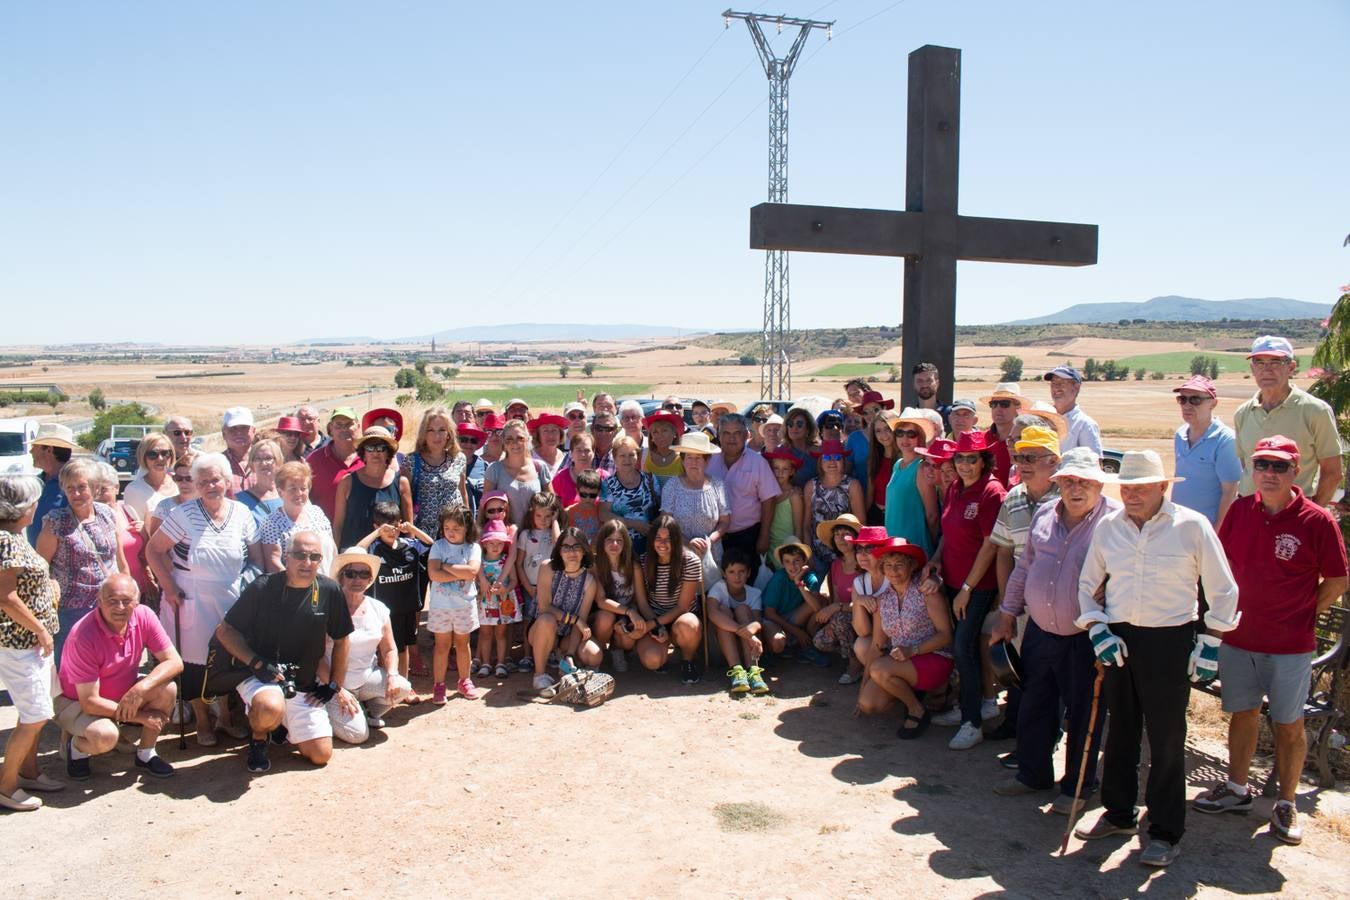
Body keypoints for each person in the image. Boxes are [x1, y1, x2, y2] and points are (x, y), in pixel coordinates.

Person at [1072, 449, 1240, 868]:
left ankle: (1165, 831)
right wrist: (1096, 628)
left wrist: (1212, 640)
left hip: (1171, 641)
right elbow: (1087, 584)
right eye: (1127, 487)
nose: (1132, 494)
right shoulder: (1109, 527)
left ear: (1162, 487)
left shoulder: (1192, 526)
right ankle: (1119, 813)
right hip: (1120, 638)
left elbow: (1223, 588)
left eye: (1141, 487)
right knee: (1121, 732)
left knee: (1166, 739)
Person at [1198, 437, 1348, 844]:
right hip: (1239, 636)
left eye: (1279, 466)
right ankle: (1236, 788)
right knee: (1243, 714)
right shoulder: (1242, 511)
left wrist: (1304, 612)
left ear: (1295, 471)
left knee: (1289, 724)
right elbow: (1221, 563)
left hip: (1290, 646)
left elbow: (1337, 579)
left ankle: (1285, 803)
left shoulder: (1317, 520)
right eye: (1262, 464)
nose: (1269, 473)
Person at [990, 448, 1117, 812]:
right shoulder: (1045, 514)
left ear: (1099, 483)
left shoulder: (1113, 522)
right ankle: (1033, 774)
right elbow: (1024, 568)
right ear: (1057, 482)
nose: (1076, 489)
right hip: (1040, 630)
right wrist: (1007, 612)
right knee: (1035, 703)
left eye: (1084, 482)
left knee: (1083, 714)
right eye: (1069, 481)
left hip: (1086, 637)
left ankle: (1077, 788)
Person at [214, 529, 354, 773]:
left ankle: (281, 726)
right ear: (286, 557)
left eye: (315, 557)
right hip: (260, 676)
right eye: (300, 555)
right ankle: (259, 738)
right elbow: (225, 632)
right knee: (270, 706)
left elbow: (342, 640)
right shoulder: (263, 587)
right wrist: (256, 663)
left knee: (321, 756)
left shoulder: (330, 590)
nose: (307, 563)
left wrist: (333, 686)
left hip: (303, 685)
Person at [146, 452, 261, 746]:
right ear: (196, 485)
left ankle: (224, 716)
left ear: (227, 481)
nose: (211, 486)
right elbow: (153, 551)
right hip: (189, 599)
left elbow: (256, 558)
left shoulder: (241, 513)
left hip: (230, 600)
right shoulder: (182, 515)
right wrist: (169, 586)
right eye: (204, 481)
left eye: (216, 480)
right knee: (195, 664)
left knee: (225, 661)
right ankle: (202, 721)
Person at [920, 430, 1007, 751]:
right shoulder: (956, 486)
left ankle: (972, 723)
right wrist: (937, 560)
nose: (966, 465)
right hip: (954, 581)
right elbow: (948, 531)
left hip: (978, 587)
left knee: (964, 649)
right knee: (963, 650)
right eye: (960, 458)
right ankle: (966, 710)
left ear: (984, 460)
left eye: (973, 459)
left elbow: (991, 546)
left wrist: (968, 588)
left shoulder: (992, 492)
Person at [980, 423, 1063, 742]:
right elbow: (1003, 553)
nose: (1021, 464)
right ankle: (1015, 726)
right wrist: (1007, 606)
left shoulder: (1067, 499)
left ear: (1053, 460)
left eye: (1030, 457)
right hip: (1020, 601)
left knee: (1047, 677)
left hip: (1054, 605)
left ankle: (1045, 739)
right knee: (1017, 669)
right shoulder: (1013, 497)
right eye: (1019, 457)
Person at [56, 574, 182, 781]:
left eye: (126, 601)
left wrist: (140, 689)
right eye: (112, 601)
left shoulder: (144, 615)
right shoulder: (84, 635)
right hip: (75, 703)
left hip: (122, 694)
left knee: (167, 689)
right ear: (99, 601)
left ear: (137, 601)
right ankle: (76, 749)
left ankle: (146, 753)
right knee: (105, 736)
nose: (120, 607)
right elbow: (90, 702)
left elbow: (175, 661)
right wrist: (141, 717)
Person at [0, 474, 61, 811]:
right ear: (23, 506)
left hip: (31, 644)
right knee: (35, 714)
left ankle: (29, 771)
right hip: (19, 644)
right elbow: (5, 596)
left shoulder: (15, 536)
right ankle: (6, 785)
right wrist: (39, 628)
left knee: (36, 711)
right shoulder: (6, 540)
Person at [854, 538, 954, 739]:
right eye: (888, 565)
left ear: (912, 565)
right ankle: (912, 693)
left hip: (933, 657)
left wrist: (913, 650)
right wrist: (862, 686)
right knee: (869, 703)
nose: (893, 571)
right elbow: (876, 645)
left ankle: (916, 709)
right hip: (902, 662)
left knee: (880, 668)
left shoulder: (927, 592)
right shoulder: (884, 600)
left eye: (899, 564)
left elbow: (946, 635)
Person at [36, 457, 130, 662]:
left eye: (81, 487)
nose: (76, 494)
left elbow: (119, 559)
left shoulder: (107, 513)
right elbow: (41, 568)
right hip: (71, 610)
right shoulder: (55, 522)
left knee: (108, 661)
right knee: (73, 666)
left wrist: (129, 593)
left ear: (95, 487)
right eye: (70, 488)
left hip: (109, 604)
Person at [1233, 335, 1342, 505]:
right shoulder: (1243, 413)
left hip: (1295, 515)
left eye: (1275, 362)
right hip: (1249, 513)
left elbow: (1333, 472)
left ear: (1291, 367)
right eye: (1259, 362)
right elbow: (1247, 466)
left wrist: (1310, 517)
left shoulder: (1315, 411)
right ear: (1252, 368)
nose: (1267, 370)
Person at [320, 548, 413, 743]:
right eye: (351, 573)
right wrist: (337, 689)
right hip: (333, 683)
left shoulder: (378, 608)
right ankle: (327, 711)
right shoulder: (327, 608)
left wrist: (393, 676)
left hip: (366, 678)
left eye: (364, 574)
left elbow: (389, 649)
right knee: (358, 736)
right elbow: (316, 656)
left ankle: (370, 711)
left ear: (370, 579)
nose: (357, 579)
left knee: (402, 687)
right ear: (341, 577)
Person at [354, 500, 432, 679]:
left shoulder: (409, 544)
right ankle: (386, 685)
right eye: (387, 528)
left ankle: (403, 685)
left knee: (403, 648)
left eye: (396, 527)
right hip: (385, 612)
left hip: (408, 607)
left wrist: (412, 528)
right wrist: (376, 533)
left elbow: (431, 544)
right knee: (386, 649)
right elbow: (357, 550)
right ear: (377, 527)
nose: (393, 531)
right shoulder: (374, 548)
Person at [706, 414, 780, 585]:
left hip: (747, 536)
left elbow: (769, 500)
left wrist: (764, 535)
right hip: (715, 537)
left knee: (745, 586)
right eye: (726, 433)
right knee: (716, 584)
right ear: (718, 434)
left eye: (737, 433)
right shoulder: (709, 461)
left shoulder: (758, 462)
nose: (731, 438)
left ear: (746, 434)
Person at [527, 526, 603, 691]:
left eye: (576, 547)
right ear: (559, 551)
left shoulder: (589, 581)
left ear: (584, 550)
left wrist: (570, 653)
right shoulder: (548, 568)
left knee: (594, 656)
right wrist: (574, 619)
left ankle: (563, 659)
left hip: (567, 635)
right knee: (547, 620)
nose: (572, 552)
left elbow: (581, 620)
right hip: (541, 629)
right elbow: (545, 607)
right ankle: (539, 674)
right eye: (566, 547)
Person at [636, 513, 703, 684]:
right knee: (652, 660)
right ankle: (662, 653)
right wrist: (656, 626)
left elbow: (682, 606)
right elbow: (643, 603)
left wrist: (653, 624)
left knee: (688, 624)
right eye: (658, 538)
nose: (663, 544)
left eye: (668, 539)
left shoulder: (690, 561)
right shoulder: (643, 562)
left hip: (681, 617)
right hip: (654, 615)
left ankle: (688, 661)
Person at [1170, 375, 1242, 527]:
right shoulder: (1180, 434)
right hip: (1178, 526)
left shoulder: (1225, 440)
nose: (1187, 405)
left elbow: (1230, 492)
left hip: (1207, 529)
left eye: (1195, 399)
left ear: (1213, 404)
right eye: (1182, 399)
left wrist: (1217, 531)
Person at [427, 506, 482, 703]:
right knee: (441, 646)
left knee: (462, 644)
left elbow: (472, 572)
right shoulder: (438, 546)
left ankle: (464, 680)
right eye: (447, 527)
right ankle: (439, 685)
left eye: (456, 528)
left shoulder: (473, 547)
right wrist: (460, 570)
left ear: (467, 528)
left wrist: (445, 566)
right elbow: (433, 574)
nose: (450, 532)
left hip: (464, 606)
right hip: (441, 606)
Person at [660, 432, 729, 589]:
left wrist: (709, 541)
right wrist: (687, 543)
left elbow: (725, 521)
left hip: (712, 555)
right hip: (681, 554)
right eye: (689, 457)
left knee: (712, 600)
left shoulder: (718, 485)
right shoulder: (672, 486)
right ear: (682, 460)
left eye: (698, 457)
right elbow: (666, 523)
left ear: (707, 460)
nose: (693, 462)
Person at [333, 426, 413, 549]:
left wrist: (408, 556)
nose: (375, 453)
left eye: (381, 448)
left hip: (389, 559)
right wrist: (335, 557)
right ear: (363, 453)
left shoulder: (402, 483)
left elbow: (409, 528)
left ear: (388, 452)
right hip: (355, 557)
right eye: (370, 447)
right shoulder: (347, 482)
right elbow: (338, 526)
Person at [590, 519, 651, 674]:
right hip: (607, 613)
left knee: (630, 637)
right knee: (605, 618)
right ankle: (598, 652)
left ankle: (618, 650)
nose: (614, 545)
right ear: (602, 542)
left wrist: (656, 624)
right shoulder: (597, 565)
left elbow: (642, 602)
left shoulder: (633, 566)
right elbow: (601, 601)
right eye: (609, 540)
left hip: (628, 612)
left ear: (626, 544)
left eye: (619, 540)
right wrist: (628, 612)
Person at [706, 550, 769, 695]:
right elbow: (712, 613)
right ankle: (736, 670)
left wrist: (749, 632)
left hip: (747, 646)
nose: (737, 576)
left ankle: (753, 670)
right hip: (720, 644)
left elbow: (757, 623)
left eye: (742, 571)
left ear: (748, 573)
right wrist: (744, 632)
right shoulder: (718, 588)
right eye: (732, 572)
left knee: (742, 609)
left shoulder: (754, 593)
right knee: (723, 611)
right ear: (724, 573)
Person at [258, 461, 337, 574]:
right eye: (293, 489)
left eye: (303, 488)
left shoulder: (317, 512)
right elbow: (273, 562)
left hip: (328, 584)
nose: (299, 493)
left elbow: (333, 549)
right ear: (280, 492)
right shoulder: (271, 523)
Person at [401, 407, 469, 538]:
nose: (437, 436)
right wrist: (410, 534)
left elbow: (462, 492)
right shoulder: (411, 461)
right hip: (424, 533)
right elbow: (405, 500)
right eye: (431, 430)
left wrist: (468, 525)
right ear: (424, 434)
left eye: (442, 430)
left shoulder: (459, 458)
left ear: (449, 433)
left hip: (455, 531)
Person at [801, 439, 865, 577]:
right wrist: (809, 555)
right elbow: (806, 525)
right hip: (817, 554)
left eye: (837, 457)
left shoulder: (853, 485)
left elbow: (861, 526)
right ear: (820, 461)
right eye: (826, 457)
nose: (831, 461)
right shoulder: (810, 486)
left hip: (845, 553)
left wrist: (856, 556)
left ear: (843, 461)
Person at [90, 461, 152, 604]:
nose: (98, 495)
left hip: (138, 590)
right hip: (109, 596)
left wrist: (144, 532)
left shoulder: (128, 510)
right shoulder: (89, 518)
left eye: (103, 489)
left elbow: (144, 553)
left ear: (116, 488)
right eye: (94, 490)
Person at [812, 514, 863, 682]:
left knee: (841, 618)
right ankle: (853, 654)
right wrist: (831, 620)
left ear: (856, 537)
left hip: (864, 618)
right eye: (837, 534)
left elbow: (865, 604)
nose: (841, 539)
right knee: (820, 641)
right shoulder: (835, 565)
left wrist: (837, 609)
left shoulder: (864, 563)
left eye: (845, 534)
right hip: (844, 616)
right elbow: (835, 598)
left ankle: (854, 664)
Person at [884, 409, 940, 557]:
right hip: (894, 545)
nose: (905, 438)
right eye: (900, 433)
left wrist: (931, 545)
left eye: (911, 434)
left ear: (920, 437)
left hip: (914, 547)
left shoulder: (922, 467)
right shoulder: (898, 464)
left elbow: (932, 515)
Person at [760, 540, 826, 664]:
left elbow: (816, 607)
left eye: (796, 560)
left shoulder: (810, 577)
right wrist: (797, 632)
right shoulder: (779, 578)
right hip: (774, 620)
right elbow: (769, 614)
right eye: (787, 561)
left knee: (822, 601)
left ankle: (808, 647)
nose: (792, 566)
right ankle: (775, 651)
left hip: (793, 617)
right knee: (778, 642)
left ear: (804, 561)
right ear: (783, 563)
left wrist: (799, 583)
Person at [473, 518, 518, 679]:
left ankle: (500, 663)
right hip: (485, 602)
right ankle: (486, 663)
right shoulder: (479, 562)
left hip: (503, 602)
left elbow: (514, 580)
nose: (496, 547)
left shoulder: (506, 560)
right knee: (485, 633)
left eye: (500, 543)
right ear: (484, 544)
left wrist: (506, 588)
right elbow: (475, 580)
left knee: (501, 633)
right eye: (491, 543)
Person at [600, 435, 659, 556]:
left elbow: (661, 507)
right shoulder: (608, 484)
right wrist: (635, 524)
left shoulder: (650, 479)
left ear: (637, 457)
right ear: (615, 458)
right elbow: (603, 514)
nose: (627, 459)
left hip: (650, 544)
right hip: (620, 546)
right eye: (622, 455)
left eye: (631, 455)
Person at [484, 419, 547, 529]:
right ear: (503, 442)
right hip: (504, 539)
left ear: (527, 440)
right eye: (509, 439)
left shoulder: (540, 468)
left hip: (535, 538)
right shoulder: (494, 470)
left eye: (520, 438)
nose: (515, 443)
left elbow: (552, 504)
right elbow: (484, 507)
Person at [306, 407, 363, 521]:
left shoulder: (369, 457)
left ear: (358, 426)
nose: (343, 429)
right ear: (331, 429)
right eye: (338, 425)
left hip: (365, 532)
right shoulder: (315, 460)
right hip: (326, 532)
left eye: (348, 424)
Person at [26, 423, 73, 544]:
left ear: (49, 450)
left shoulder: (75, 484)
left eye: (34, 447)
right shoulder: (36, 482)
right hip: (36, 560)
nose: (31, 452)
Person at [1043, 365, 1103, 456]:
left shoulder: (1085, 424)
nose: (1056, 388)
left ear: (1076, 387)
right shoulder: (1042, 418)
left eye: (1061, 383)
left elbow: (1095, 463)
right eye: (1053, 383)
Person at [121, 432, 177, 521]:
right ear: (143, 456)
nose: (160, 458)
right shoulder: (134, 490)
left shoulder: (182, 482)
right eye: (153, 454)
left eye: (165, 453)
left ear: (172, 455)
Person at [763, 450, 804, 570]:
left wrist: (796, 552)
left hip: (787, 548)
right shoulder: (766, 492)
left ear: (792, 471)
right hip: (769, 545)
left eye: (785, 469)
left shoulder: (794, 496)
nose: (780, 472)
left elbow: (798, 527)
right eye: (776, 468)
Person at [146, 450, 198, 538]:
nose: (183, 482)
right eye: (178, 478)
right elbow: (155, 544)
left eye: (189, 478)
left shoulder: (209, 505)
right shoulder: (164, 507)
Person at [978, 382, 1022, 487]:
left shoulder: (1025, 441)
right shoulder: (980, 439)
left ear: (1017, 408)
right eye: (993, 404)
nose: (998, 408)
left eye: (1004, 404)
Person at [236, 439, 284, 527]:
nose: (263, 463)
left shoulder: (291, 493)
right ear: (252, 464)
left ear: (278, 461)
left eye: (268, 458)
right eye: (258, 459)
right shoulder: (241, 500)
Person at [850, 390, 893, 484]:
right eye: (866, 412)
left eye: (876, 410)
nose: (871, 415)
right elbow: (847, 471)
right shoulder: (854, 438)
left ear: (884, 408)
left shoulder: (894, 436)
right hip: (860, 494)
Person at [552, 431, 602, 508]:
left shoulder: (604, 477)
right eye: (578, 450)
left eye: (587, 450)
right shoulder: (560, 478)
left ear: (593, 452)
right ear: (571, 453)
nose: (583, 454)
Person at [641, 410, 685, 488]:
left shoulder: (683, 456)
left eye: (664, 430)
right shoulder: (644, 454)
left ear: (674, 433)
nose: (660, 435)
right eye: (655, 432)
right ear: (651, 437)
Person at [220, 406, 257, 495]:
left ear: (254, 431)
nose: (239, 433)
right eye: (233, 428)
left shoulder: (267, 460)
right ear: (224, 434)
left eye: (244, 427)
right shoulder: (217, 464)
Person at [782, 407, 820, 487]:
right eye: (790, 424)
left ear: (808, 429)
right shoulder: (781, 451)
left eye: (799, 424)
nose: (794, 428)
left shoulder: (819, 451)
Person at [912, 362, 954, 434]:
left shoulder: (950, 414)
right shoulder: (910, 415)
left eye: (929, 380)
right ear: (914, 385)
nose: (924, 385)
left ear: (937, 383)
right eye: (919, 381)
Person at [563, 469, 603, 544]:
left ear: (599, 493)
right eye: (584, 494)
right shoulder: (568, 512)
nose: (588, 498)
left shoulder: (601, 511)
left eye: (592, 495)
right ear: (577, 491)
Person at [528, 413, 568, 483]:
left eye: (554, 430)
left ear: (560, 434)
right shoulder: (530, 457)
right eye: (545, 430)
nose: (550, 435)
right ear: (538, 435)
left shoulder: (566, 458)